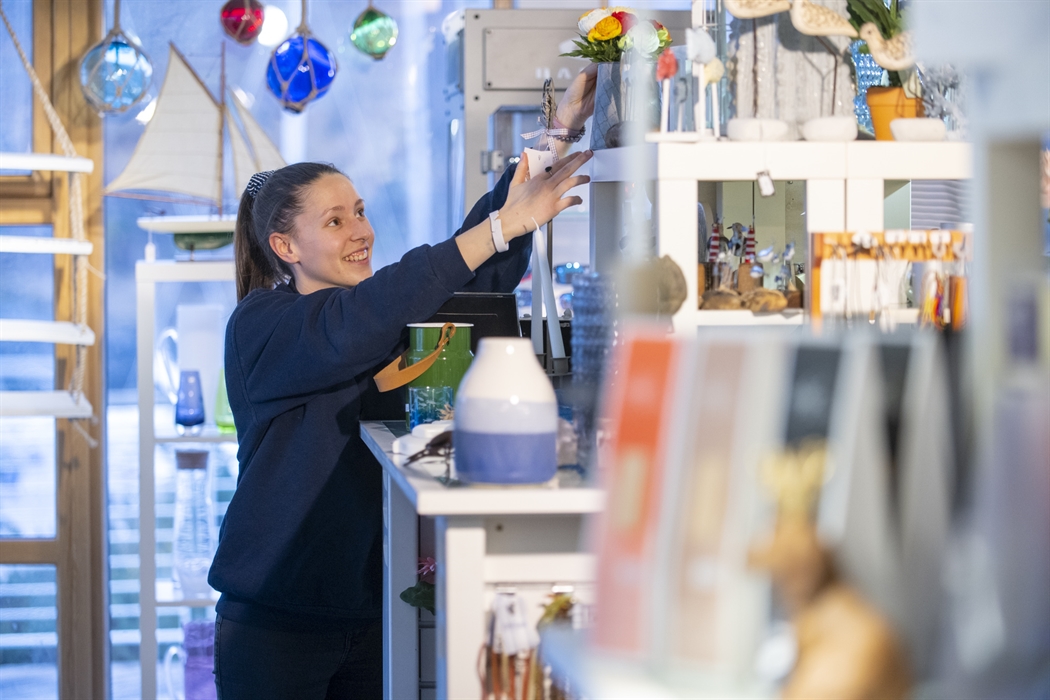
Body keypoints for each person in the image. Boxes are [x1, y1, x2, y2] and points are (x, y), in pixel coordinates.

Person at [208, 66, 597, 699]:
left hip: (370, 613)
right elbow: (355, 323)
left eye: (360, 212)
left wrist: (554, 138)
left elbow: (473, 278)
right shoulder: (263, 325)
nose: (361, 231)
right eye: (335, 221)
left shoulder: (380, 315)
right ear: (286, 246)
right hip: (276, 623)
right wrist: (499, 227)